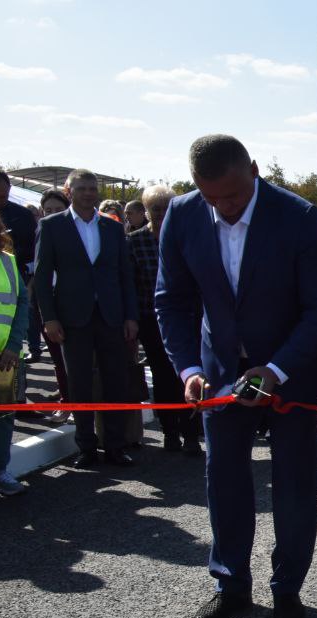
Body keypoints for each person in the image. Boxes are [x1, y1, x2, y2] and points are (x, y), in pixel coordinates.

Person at [155, 134, 317, 618]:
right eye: (212, 198)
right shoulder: (183, 214)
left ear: (254, 169)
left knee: (294, 485)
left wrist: (275, 371)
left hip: (290, 375)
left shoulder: (298, 217)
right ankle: (230, 584)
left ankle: (287, 590)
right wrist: (189, 369)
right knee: (224, 480)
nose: (224, 208)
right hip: (219, 377)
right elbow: (170, 299)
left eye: (233, 196)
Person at [32, 169, 139, 468]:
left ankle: (115, 445)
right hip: (71, 319)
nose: (89, 193)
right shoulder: (52, 226)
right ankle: (86, 447)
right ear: (69, 191)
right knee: (78, 383)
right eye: (82, 188)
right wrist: (49, 318)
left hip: (111, 317)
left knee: (115, 382)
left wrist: (131, 316)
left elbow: (124, 276)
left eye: (93, 188)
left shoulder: (112, 227)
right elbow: (41, 278)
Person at [129, 184, 201, 456]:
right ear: (145, 211)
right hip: (151, 320)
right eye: (155, 209)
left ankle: (192, 435)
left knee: (191, 375)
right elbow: (131, 285)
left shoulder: (189, 237)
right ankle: (170, 433)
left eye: (166, 208)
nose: (161, 214)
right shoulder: (134, 241)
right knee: (162, 378)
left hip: (189, 319)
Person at [0, 203, 30, 499]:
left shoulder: (7, 261)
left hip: (6, 356)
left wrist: (13, 345)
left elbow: (22, 303)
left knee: (2, 417)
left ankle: (1, 470)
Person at [0, 169, 39, 363]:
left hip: (7, 353)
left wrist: (15, 345)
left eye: (3, 196)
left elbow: (33, 251)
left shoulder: (23, 216)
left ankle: (33, 346)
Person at [34, 190, 73, 424]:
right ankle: (67, 402)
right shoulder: (43, 231)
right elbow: (41, 275)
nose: (52, 215)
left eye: (58, 210)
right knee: (59, 359)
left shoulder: (78, 232)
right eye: (48, 210)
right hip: (51, 305)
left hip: (77, 305)